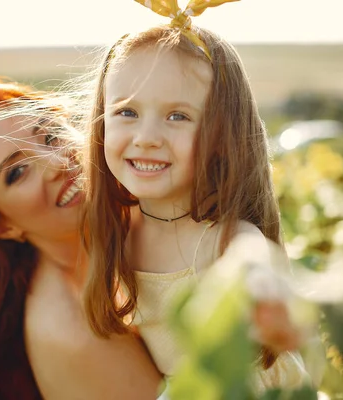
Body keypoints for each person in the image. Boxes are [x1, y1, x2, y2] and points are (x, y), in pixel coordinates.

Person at [82, 0, 311, 394]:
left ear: (223, 136)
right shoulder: (115, 228)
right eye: (127, 112)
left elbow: (252, 260)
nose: (147, 137)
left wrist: (263, 284)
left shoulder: (222, 238)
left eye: (178, 116)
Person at [0, 75, 162, 399]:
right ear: (0, 226)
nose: (56, 164)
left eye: (49, 135)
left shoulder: (119, 237)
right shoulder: (73, 330)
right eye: (17, 172)